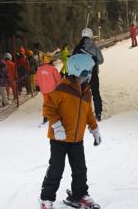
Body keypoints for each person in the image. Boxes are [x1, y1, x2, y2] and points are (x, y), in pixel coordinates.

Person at [39, 54, 101, 209]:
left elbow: (88, 113)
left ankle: (79, 195)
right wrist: (57, 126)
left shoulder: (86, 91)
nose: (91, 74)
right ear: (80, 71)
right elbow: (48, 108)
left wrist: (94, 129)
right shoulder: (61, 88)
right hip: (59, 138)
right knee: (56, 168)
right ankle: (46, 199)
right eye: (89, 71)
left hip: (76, 139)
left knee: (80, 169)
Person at [73, 28, 104, 121]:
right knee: (95, 93)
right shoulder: (95, 47)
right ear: (91, 35)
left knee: (82, 95)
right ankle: (98, 113)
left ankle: (82, 113)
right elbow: (101, 60)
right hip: (93, 74)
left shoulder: (78, 47)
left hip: (81, 76)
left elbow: (74, 61)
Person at [36, 53, 61, 124]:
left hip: (44, 90)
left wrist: (39, 85)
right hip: (52, 90)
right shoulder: (53, 69)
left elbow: (37, 80)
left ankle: (45, 116)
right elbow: (58, 79)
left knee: (46, 102)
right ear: (50, 61)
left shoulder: (39, 69)